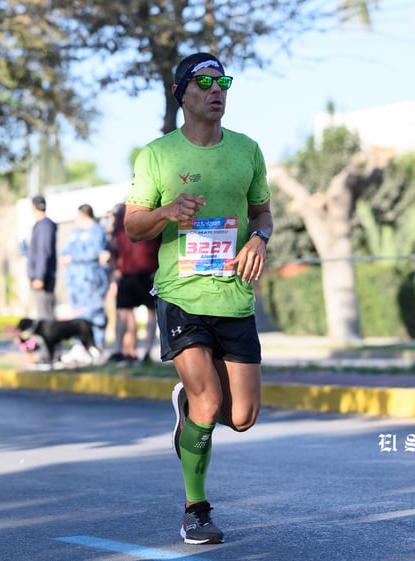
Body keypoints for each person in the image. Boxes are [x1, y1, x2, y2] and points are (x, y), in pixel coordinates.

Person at [123, 52, 272, 545]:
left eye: (223, 81)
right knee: (209, 402)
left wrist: (259, 240)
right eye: (205, 82)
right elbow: (133, 226)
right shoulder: (156, 155)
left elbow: (263, 215)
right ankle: (196, 509)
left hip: (234, 296)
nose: (217, 90)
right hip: (181, 294)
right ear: (182, 93)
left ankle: (187, 408)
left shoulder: (247, 150)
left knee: (242, 417)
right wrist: (166, 211)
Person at [107, 203, 162, 365]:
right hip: (127, 271)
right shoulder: (122, 211)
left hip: (149, 271)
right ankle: (120, 350)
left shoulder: (155, 207)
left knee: (152, 311)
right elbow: (114, 243)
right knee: (123, 311)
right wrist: (115, 268)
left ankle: (147, 352)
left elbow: (161, 241)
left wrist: (159, 268)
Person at [59, 204, 109, 361]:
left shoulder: (97, 231)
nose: (75, 220)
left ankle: (96, 347)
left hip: (90, 281)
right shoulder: (76, 233)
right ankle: (80, 346)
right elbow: (65, 251)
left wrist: (73, 257)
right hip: (75, 283)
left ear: (84, 215)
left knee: (93, 315)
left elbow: (93, 253)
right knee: (78, 316)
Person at [27, 195, 57, 321]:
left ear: (33, 207)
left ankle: (52, 341)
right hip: (41, 277)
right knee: (43, 314)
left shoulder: (44, 226)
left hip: (43, 279)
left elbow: (44, 252)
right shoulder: (41, 226)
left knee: (46, 318)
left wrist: (39, 277)